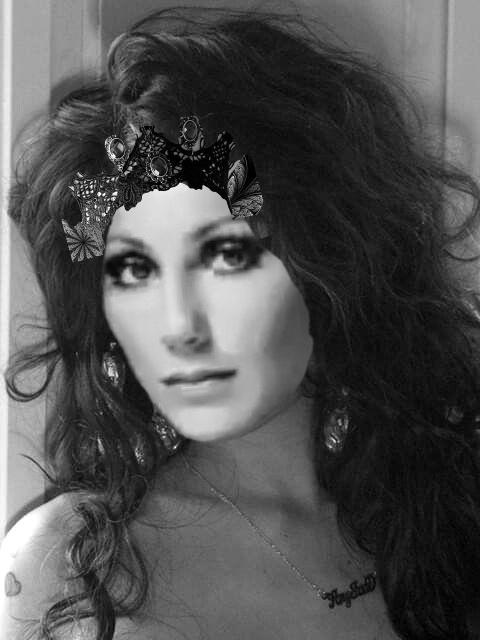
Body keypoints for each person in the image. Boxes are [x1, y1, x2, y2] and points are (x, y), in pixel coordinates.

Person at [2, 6, 480, 639]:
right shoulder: (73, 567)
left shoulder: (444, 524)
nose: (179, 321)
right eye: (136, 270)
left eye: (223, 255)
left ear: (328, 263)